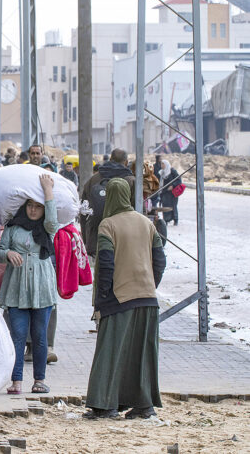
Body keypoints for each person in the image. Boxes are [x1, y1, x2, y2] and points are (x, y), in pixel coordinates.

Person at [84, 178, 166, 419]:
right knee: (142, 354)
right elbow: (160, 261)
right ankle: (144, 406)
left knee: (109, 353)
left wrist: (102, 298)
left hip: (118, 298)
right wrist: (149, 284)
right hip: (148, 298)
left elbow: (105, 264)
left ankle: (105, 406)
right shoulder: (146, 223)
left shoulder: (108, 225)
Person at [0, 174, 58, 395]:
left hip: (42, 287)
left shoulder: (47, 229)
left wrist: (47, 191)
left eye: (38, 207)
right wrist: (8, 253)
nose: (33, 210)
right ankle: (17, 381)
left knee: (40, 337)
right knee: (18, 336)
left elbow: (52, 220)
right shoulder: (13, 228)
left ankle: (39, 380)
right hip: (16, 287)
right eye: (30, 205)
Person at [80, 148, 135, 257]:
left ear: (110, 159)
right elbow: (139, 211)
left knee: (102, 266)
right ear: (126, 162)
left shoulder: (93, 180)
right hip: (125, 240)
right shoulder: (131, 181)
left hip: (97, 240)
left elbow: (83, 212)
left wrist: (86, 240)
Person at [159, 160, 181, 225]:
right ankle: (166, 220)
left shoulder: (172, 171)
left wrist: (173, 185)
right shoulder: (161, 172)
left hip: (172, 193)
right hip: (164, 192)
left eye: (163, 164)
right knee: (165, 206)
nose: (162, 165)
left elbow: (179, 180)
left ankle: (175, 219)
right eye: (161, 164)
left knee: (173, 206)